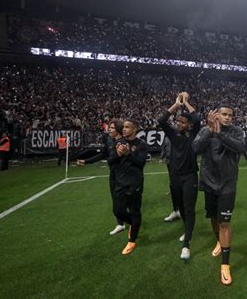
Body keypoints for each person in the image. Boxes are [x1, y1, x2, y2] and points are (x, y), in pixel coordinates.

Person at [192, 104, 245, 286]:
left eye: (230, 115)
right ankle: (218, 242)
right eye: (224, 114)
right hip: (209, 182)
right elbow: (195, 148)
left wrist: (219, 134)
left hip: (228, 185)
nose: (228, 117)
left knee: (225, 222)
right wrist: (209, 130)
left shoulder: (237, 131)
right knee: (214, 218)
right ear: (217, 115)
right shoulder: (206, 130)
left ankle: (225, 264)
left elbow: (240, 147)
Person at [157, 92, 201, 260]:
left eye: (182, 122)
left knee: (189, 210)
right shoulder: (173, 135)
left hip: (190, 176)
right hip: (175, 177)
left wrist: (187, 103)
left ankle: (186, 244)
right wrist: (176, 104)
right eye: (177, 121)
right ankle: (187, 230)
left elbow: (197, 119)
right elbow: (161, 121)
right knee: (181, 208)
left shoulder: (193, 133)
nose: (178, 124)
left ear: (189, 125)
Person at [77, 119, 125, 235]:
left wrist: (111, 160)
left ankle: (132, 221)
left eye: (112, 128)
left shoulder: (123, 141)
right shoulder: (108, 140)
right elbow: (102, 155)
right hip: (113, 174)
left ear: (118, 129)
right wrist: (86, 161)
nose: (109, 129)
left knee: (125, 200)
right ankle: (120, 224)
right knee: (115, 199)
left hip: (124, 174)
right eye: (109, 127)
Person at [112, 119, 149, 255]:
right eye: (123, 127)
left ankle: (132, 241)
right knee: (118, 211)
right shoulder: (119, 143)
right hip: (121, 183)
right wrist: (118, 154)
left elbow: (140, 164)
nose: (124, 129)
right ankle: (134, 224)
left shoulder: (142, 145)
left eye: (127, 127)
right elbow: (111, 161)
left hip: (135, 183)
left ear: (134, 129)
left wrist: (128, 154)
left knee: (135, 211)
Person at [161, 136, 182, 222]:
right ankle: (176, 210)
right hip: (170, 162)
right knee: (173, 186)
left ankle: (182, 210)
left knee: (180, 187)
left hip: (179, 162)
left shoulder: (180, 136)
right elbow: (164, 146)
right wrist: (162, 156)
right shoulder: (167, 137)